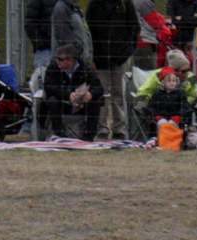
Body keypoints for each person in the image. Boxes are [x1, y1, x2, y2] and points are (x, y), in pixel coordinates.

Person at [85, 0, 135, 140]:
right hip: (100, 59)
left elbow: (134, 29)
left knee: (118, 93)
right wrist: (92, 57)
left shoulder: (126, 4)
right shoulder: (94, 4)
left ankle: (119, 128)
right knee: (101, 94)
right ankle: (102, 128)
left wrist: (126, 52)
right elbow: (89, 31)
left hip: (120, 59)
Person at [38, 42, 102, 140]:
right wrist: (68, 95)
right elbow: (49, 87)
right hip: (62, 104)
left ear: (71, 60)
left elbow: (99, 87)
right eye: (57, 59)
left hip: (80, 105)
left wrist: (90, 94)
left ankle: (89, 136)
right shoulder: (53, 68)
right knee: (52, 100)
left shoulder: (84, 68)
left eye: (60, 59)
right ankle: (59, 135)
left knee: (96, 101)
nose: (57, 61)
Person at [138, 64, 191, 136]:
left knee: (174, 124)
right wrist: (156, 115)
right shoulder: (157, 93)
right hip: (161, 117)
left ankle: (175, 141)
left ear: (177, 82)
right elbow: (151, 106)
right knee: (161, 123)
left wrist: (179, 115)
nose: (172, 83)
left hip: (175, 117)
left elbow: (185, 106)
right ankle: (161, 141)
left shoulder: (181, 93)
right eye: (169, 81)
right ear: (163, 83)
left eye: (174, 81)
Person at [50, 0, 91, 68]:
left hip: (78, 63)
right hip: (68, 65)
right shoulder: (61, 8)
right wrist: (77, 51)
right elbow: (63, 36)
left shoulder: (75, 8)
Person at [24, 0, 56, 71]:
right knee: (42, 76)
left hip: (61, 49)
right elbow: (29, 23)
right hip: (45, 49)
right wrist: (40, 44)